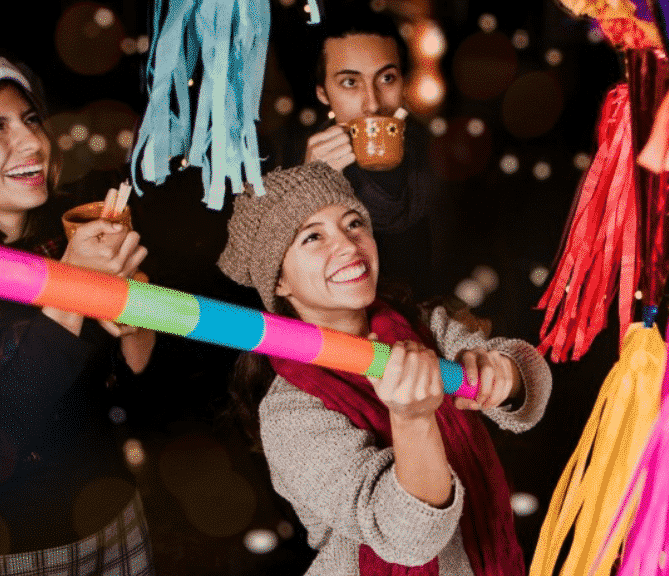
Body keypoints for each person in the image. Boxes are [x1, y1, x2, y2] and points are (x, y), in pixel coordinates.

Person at [217, 161, 551, 575]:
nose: (347, 245)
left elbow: (530, 384)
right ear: (279, 283)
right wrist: (412, 420)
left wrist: (503, 372)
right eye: (313, 237)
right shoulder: (290, 412)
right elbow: (410, 541)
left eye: (353, 223)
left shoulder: (423, 325)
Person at [0, 57, 155, 573]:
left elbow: (134, 368)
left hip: (115, 510)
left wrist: (135, 301)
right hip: (22, 545)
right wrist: (71, 288)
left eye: (29, 120)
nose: (28, 143)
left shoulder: (67, 230)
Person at [301, 3, 455, 301]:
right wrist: (309, 191)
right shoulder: (299, 168)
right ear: (323, 93)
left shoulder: (435, 157)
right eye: (349, 83)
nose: (372, 104)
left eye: (386, 79)